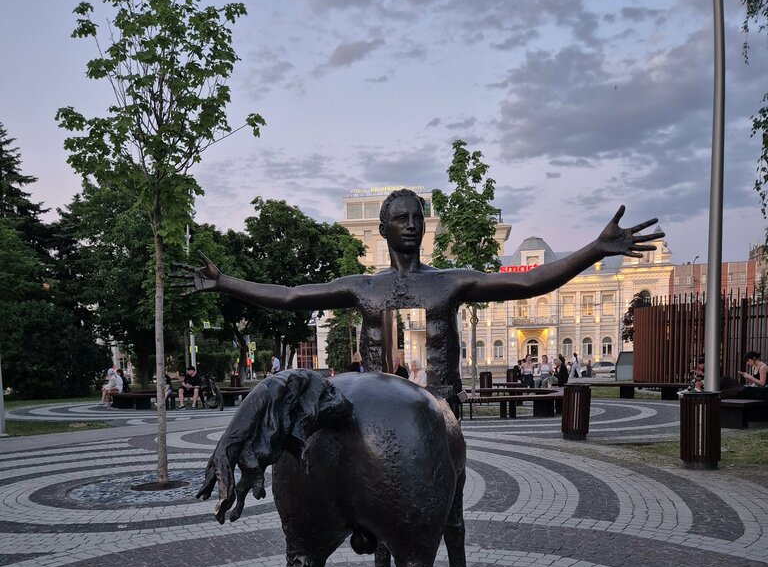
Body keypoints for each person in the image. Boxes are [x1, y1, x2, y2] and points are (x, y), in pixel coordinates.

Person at [175, 191, 662, 401]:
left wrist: (593, 249)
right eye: (400, 219)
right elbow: (289, 296)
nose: (410, 225)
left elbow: (531, 282)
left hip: (438, 407)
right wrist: (226, 282)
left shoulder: (449, 281)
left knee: (447, 512)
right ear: (383, 229)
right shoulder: (363, 287)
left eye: (416, 219)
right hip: (374, 408)